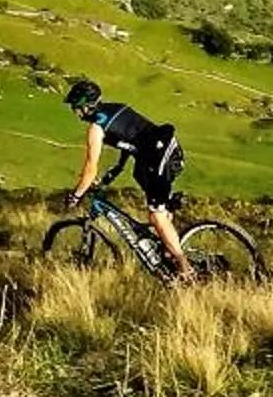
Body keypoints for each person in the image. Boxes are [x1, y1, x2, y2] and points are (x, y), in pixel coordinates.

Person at [60, 77, 195, 280]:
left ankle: (184, 267)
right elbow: (130, 139)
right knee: (141, 178)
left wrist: (76, 195)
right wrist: (116, 170)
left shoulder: (96, 129)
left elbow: (90, 168)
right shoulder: (116, 108)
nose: (74, 112)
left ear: (85, 107)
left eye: (75, 107)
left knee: (155, 215)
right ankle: (167, 248)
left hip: (159, 155)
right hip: (163, 150)